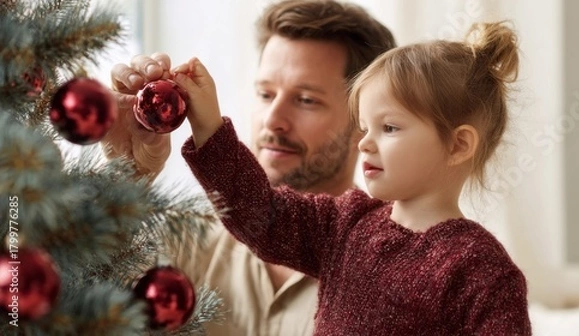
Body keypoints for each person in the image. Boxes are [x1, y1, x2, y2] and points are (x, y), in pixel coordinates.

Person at [165, 20, 532, 335]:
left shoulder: (481, 271)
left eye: (388, 127)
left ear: (458, 145)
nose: (366, 143)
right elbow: (259, 212)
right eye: (363, 127)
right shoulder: (345, 223)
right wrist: (208, 125)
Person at [102, 1, 396, 334]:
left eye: (306, 100)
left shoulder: (393, 268)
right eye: (265, 93)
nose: (273, 120)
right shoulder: (190, 243)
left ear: (366, 120)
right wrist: (125, 180)